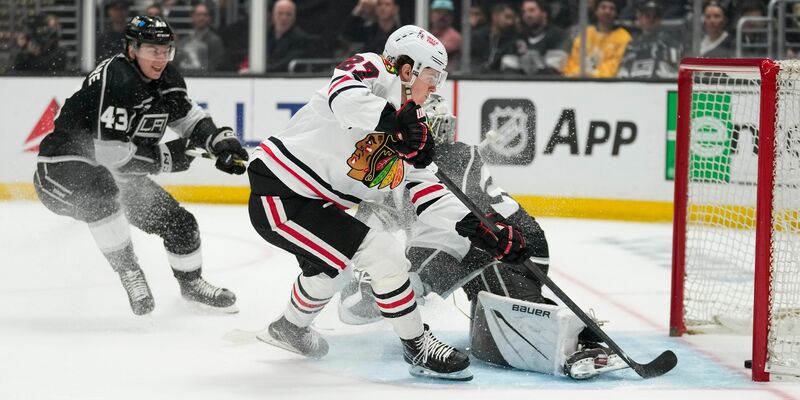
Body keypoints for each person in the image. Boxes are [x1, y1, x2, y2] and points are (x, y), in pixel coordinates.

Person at [246, 25, 527, 381]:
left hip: (313, 202)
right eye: (431, 76)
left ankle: (288, 329)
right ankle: (418, 346)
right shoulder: (376, 71)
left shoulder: (414, 128)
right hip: (280, 190)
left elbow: (427, 190)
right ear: (407, 69)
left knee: (333, 270)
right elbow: (343, 93)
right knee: (383, 254)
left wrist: (481, 230)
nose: (435, 87)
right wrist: (393, 123)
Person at [338, 93, 627, 380]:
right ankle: (567, 325)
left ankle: (578, 340)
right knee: (489, 339)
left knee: (416, 277)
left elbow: (459, 221)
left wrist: (396, 283)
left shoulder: (447, 156)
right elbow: (356, 298)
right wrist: (365, 282)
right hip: (483, 247)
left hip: (514, 243)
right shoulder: (400, 173)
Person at [33, 16, 249, 316]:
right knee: (102, 189)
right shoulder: (118, 79)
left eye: (165, 51)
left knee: (181, 224)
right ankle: (130, 272)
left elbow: (189, 119)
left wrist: (220, 142)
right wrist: (166, 158)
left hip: (116, 174)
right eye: (152, 50)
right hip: (59, 171)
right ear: (131, 49)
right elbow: (108, 153)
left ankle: (192, 284)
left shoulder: (168, 79)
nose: (160, 58)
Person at [564, 0, 631, 78]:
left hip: (605, 83)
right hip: (577, 80)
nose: (607, 11)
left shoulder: (624, 36)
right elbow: (573, 60)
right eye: (603, 7)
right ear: (596, 11)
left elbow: (615, 65)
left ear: (616, 13)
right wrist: (575, 74)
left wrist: (592, 75)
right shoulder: (586, 33)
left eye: (612, 9)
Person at [617, 0, 682, 79]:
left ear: (659, 20)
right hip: (634, 85)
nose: (651, 19)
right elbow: (623, 70)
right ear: (640, 18)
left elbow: (674, 69)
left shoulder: (669, 41)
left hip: (660, 84)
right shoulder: (632, 43)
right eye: (647, 16)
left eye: (655, 16)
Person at [509, 0, 570, 75]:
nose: (527, 15)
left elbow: (553, 72)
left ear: (544, 13)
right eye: (524, 12)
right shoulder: (520, 37)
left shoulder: (558, 35)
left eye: (532, 10)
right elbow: (509, 69)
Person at [266, 0, 314, 73]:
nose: (284, 18)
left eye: (288, 14)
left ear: (294, 16)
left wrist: (263, 70)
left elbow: (285, 64)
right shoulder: (265, 35)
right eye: (280, 13)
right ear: (273, 15)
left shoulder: (300, 38)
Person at [178, 2, 225, 73]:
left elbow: (215, 65)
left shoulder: (215, 40)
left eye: (205, 15)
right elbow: (178, 62)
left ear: (209, 18)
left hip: (205, 79)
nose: (202, 18)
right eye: (198, 15)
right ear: (192, 16)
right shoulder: (184, 41)